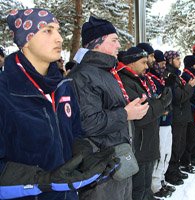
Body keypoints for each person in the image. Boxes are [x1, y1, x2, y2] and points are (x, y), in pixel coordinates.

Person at [0, 9, 118, 200]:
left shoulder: (63, 86)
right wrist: (43, 180)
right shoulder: (5, 91)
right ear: (26, 40)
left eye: (58, 30)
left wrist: (84, 156)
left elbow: (75, 133)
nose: (59, 38)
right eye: (48, 30)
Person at [68, 16, 149, 200]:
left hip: (117, 161)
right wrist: (126, 114)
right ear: (97, 43)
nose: (118, 45)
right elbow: (88, 123)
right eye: (114, 40)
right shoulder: (83, 76)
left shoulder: (105, 72)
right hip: (100, 170)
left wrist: (129, 110)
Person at [118, 47, 172, 200]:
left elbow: (149, 103)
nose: (147, 66)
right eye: (143, 62)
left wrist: (159, 102)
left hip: (148, 142)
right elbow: (142, 114)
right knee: (138, 187)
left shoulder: (138, 79)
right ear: (131, 63)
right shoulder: (126, 82)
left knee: (145, 186)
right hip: (139, 145)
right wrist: (162, 103)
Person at [164, 50, 195, 186]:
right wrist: (190, 86)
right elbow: (179, 97)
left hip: (183, 116)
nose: (179, 61)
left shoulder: (176, 75)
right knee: (176, 146)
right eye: (177, 59)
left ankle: (176, 169)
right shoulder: (170, 76)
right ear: (170, 61)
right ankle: (171, 173)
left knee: (181, 144)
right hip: (177, 116)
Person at [147, 49, 175, 198]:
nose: (163, 66)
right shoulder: (152, 78)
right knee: (160, 152)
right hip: (159, 122)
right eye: (161, 63)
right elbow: (158, 99)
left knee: (166, 153)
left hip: (167, 120)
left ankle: (161, 179)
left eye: (165, 63)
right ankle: (155, 185)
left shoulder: (161, 77)